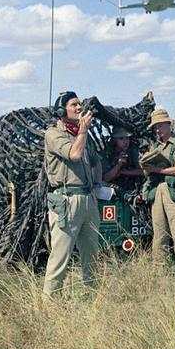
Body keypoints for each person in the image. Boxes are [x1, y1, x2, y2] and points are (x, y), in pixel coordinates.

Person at [43, 91, 103, 298]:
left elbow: (96, 161)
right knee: (60, 258)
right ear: (61, 111)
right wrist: (84, 131)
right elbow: (74, 154)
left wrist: (96, 185)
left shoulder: (80, 134)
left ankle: (91, 301)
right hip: (67, 201)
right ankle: (49, 307)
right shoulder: (54, 134)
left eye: (79, 104)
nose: (79, 108)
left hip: (87, 200)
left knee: (92, 256)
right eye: (74, 105)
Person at [141, 108, 175, 262]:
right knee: (159, 235)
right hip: (157, 192)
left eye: (160, 125)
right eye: (155, 127)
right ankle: (160, 270)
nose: (157, 130)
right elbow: (147, 174)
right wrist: (146, 168)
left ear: (169, 124)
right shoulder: (154, 148)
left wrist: (157, 169)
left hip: (174, 193)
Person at [102, 125, 144, 190]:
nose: (125, 142)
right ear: (114, 140)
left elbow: (144, 171)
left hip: (133, 186)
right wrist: (118, 165)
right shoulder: (107, 154)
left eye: (127, 138)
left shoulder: (133, 150)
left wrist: (124, 172)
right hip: (114, 189)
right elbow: (105, 179)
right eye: (121, 138)